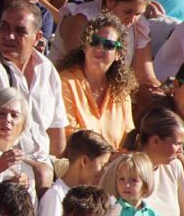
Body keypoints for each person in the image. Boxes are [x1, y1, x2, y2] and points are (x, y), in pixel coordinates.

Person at [0, 1, 68, 164]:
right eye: (4, 26)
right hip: (0, 164)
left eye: (20, 31)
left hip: (45, 162)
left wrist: (57, 172)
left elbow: (56, 131)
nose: (8, 35)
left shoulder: (47, 69)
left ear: (37, 37)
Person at [58, 14, 138, 150]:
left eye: (109, 45)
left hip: (113, 167)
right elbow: (69, 136)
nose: (100, 48)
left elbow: (128, 138)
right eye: (94, 41)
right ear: (84, 46)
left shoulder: (121, 92)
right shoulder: (65, 82)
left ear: (118, 53)